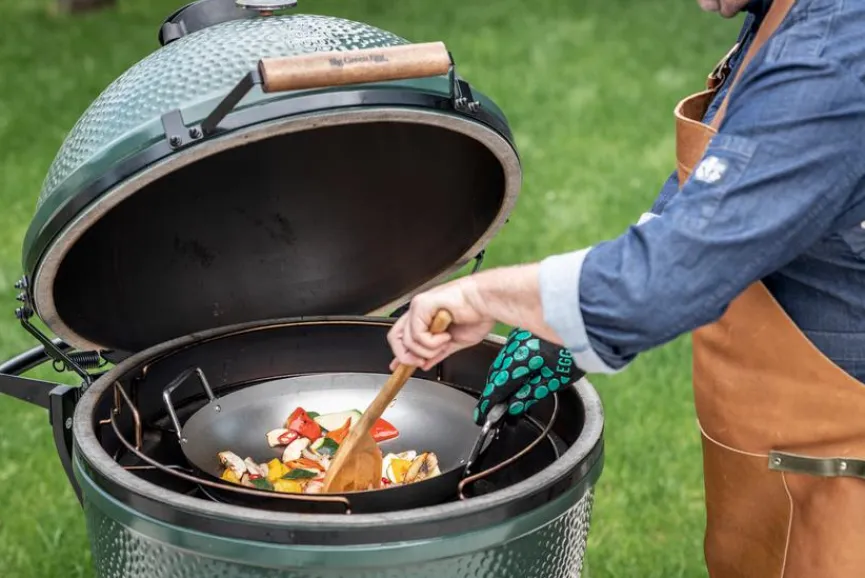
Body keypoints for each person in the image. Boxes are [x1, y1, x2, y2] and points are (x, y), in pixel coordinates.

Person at [387, 0, 865, 576]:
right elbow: (734, 187)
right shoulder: (787, 13)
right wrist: (558, 332)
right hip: (783, 452)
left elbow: (669, 277)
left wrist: (479, 296)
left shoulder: (832, 57)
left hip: (841, 469)